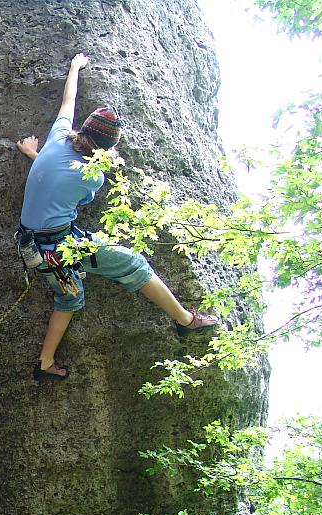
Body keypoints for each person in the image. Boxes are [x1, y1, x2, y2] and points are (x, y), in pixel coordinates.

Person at [17, 53, 217, 383]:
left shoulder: (58, 135)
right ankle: (184, 320)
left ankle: (45, 363)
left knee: (70, 297)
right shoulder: (91, 176)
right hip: (60, 248)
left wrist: (73, 67)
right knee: (134, 265)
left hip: (31, 244)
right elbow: (75, 192)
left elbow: (69, 100)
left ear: (83, 129)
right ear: (105, 148)